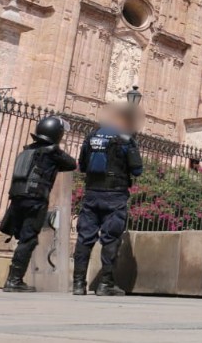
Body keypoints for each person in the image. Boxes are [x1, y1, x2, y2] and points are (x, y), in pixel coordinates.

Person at [72, 102, 144, 297]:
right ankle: (106, 284)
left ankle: (78, 284)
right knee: (111, 238)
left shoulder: (92, 136)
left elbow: (83, 165)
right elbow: (137, 169)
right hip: (115, 194)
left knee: (84, 237)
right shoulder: (125, 139)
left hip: (92, 192)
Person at [0, 115, 77, 292]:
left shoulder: (27, 150)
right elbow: (71, 164)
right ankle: (14, 280)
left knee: (22, 238)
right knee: (28, 239)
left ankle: (14, 278)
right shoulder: (51, 151)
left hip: (17, 199)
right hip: (35, 200)